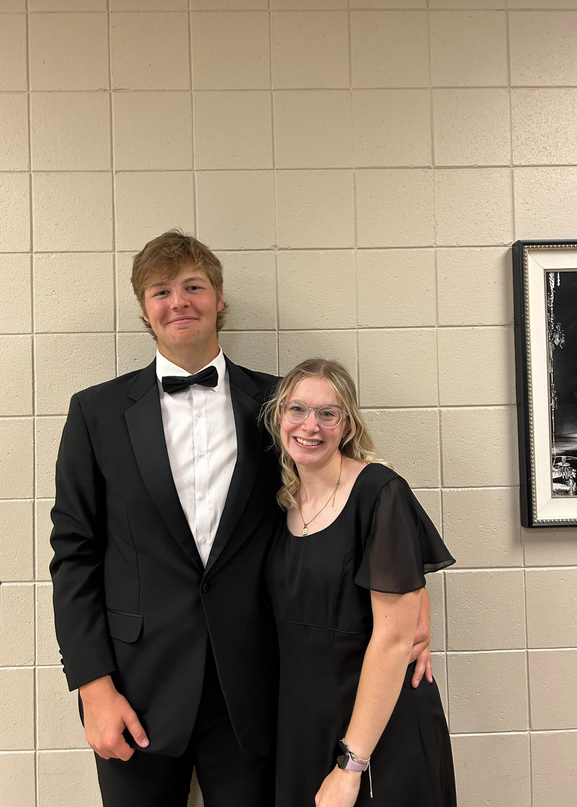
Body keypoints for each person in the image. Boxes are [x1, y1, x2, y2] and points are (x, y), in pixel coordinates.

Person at [50, 230, 433, 807]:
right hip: (135, 689)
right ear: (144, 310)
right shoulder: (94, 412)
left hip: (257, 689)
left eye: (193, 286)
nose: (179, 302)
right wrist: (92, 686)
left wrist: (412, 609)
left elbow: (349, 500)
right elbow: (73, 554)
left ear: (219, 299)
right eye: (161, 291)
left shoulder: (279, 406)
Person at [264, 358, 456, 807]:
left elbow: (394, 640)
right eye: (297, 409)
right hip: (302, 726)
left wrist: (351, 765)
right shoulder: (280, 501)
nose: (310, 426)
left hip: (375, 730)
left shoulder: (380, 492)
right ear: (279, 416)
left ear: (346, 424)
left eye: (327, 414)